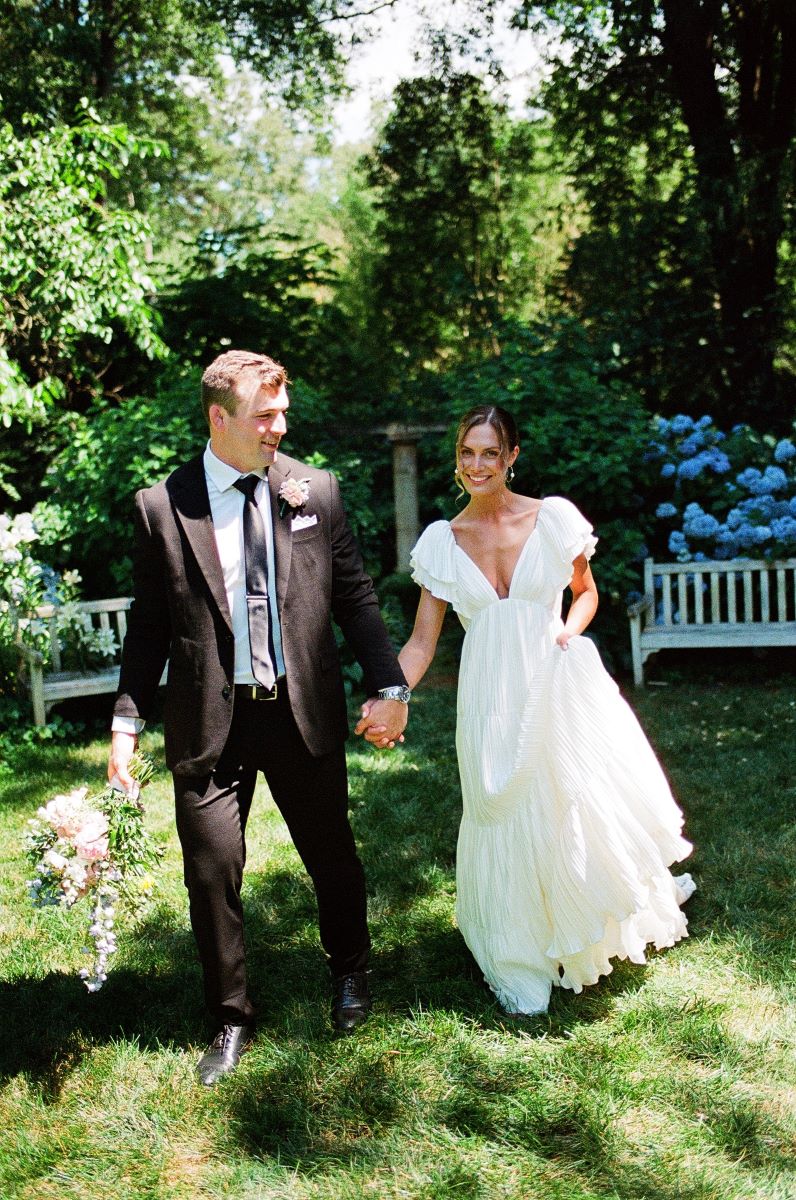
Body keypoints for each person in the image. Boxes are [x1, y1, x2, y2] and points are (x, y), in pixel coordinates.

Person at [108, 349, 410, 1085]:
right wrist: (126, 722)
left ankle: (350, 971)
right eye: (264, 415)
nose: (280, 426)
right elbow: (149, 627)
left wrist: (389, 688)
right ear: (219, 418)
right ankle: (232, 1016)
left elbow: (356, 599)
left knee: (331, 854)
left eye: (283, 412)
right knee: (211, 871)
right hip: (211, 720)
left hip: (299, 711)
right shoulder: (163, 507)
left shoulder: (316, 491)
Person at [375, 404, 695, 1016]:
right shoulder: (442, 542)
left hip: (553, 681)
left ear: (511, 456)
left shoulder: (553, 520)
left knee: (563, 802)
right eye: (467, 453)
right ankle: (515, 949)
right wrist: (393, 694)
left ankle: (577, 924)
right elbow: (422, 641)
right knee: (499, 808)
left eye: (489, 453)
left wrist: (567, 634)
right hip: (488, 697)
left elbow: (586, 593)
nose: (477, 465)